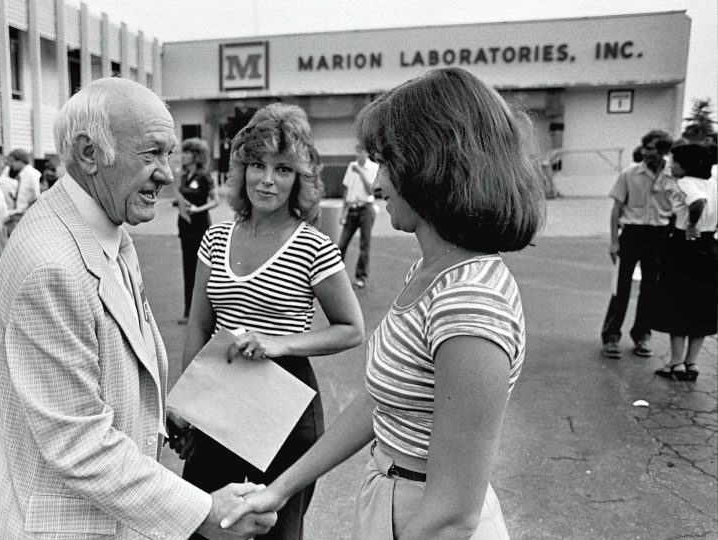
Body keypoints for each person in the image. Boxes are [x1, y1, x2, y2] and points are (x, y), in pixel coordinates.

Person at [221, 67, 544, 540]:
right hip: (394, 496)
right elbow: (383, 401)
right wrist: (280, 488)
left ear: (431, 166)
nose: (378, 183)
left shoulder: (470, 302)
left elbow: (453, 517)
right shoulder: (433, 270)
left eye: (389, 163)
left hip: (424, 518)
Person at [0, 77, 276, 540]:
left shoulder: (107, 227)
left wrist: (162, 413)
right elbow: (79, 444)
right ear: (88, 153)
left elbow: (113, 365)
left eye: (169, 154)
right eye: (151, 154)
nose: (167, 174)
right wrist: (203, 510)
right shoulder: (51, 267)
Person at [171, 102, 365, 540]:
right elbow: (200, 327)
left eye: (283, 169)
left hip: (285, 409)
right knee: (204, 526)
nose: (267, 179)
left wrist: (281, 343)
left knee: (274, 532)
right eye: (257, 165)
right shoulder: (217, 236)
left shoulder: (313, 245)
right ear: (240, 170)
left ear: (300, 178)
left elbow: (352, 328)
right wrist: (188, 404)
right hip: (220, 398)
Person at [600, 129, 673, 359]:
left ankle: (642, 335)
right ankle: (611, 336)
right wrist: (614, 241)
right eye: (644, 148)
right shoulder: (629, 174)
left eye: (650, 148)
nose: (644, 152)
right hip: (632, 233)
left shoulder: (672, 175)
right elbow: (616, 210)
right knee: (620, 287)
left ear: (662, 151)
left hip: (659, 234)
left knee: (651, 289)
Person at [651, 142, 717, 381]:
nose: (672, 165)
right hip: (709, 245)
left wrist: (691, 225)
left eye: (675, 162)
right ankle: (692, 362)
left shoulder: (685, 183)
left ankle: (676, 363)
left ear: (685, 165)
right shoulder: (713, 182)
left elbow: (696, 202)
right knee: (702, 304)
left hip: (685, 245)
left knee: (677, 301)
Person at [176, 137, 218, 323]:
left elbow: (215, 201)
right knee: (187, 269)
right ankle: (188, 311)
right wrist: (178, 203)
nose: (183, 156)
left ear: (196, 155)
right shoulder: (185, 177)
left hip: (200, 227)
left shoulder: (204, 177)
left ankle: (205, 312)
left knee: (200, 271)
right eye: (183, 152)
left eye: (187, 152)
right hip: (185, 225)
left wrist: (197, 209)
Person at [337, 143, 379, 289]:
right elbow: (347, 190)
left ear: (366, 153)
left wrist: (361, 173)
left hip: (366, 209)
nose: (358, 155)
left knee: (364, 244)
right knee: (341, 244)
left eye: (360, 152)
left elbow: (370, 191)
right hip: (352, 209)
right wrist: (343, 212)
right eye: (356, 152)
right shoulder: (351, 166)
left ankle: (361, 278)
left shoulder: (373, 168)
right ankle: (336, 275)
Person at [0, 148, 41, 234]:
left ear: (21, 161)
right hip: (19, 215)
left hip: (26, 216)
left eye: (12, 161)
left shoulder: (33, 175)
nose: (11, 165)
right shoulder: (21, 175)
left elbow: (38, 196)